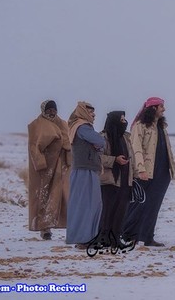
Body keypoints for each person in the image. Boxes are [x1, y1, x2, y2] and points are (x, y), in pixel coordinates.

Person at [122, 97, 175, 247]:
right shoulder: (140, 126)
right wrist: (141, 169)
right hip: (145, 172)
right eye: (161, 107)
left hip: (162, 173)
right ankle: (128, 235)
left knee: (153, 205)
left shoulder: (160, 126)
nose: (163, 109)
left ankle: (147, 237)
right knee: (138, 204)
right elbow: (136, 148)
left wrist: (172, 168)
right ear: (153, 108)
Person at [27, 100, 71, 240]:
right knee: (43, 195)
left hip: (61, 165)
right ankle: (44, 228)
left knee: (62, 195)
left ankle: (64, 224)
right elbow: (34, 146)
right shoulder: (36, 125)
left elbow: (68, 142)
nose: (52, 112)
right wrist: (40, 164)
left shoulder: (63, 124)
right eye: (49, 109)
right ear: (43, 110)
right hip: (45, 168)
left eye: (54, 109)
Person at [65, 101, 105, 248]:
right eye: (91, 112)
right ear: (83, 112)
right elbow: (100, 141)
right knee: (86, 205)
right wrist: (98, 144)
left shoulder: (80, 126)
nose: (93, 115)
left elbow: (99, 144)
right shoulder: (82, 127)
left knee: (89, 204)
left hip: (85, 169)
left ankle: (86, 238)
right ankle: (83, 239)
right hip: (84, 170)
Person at [99, 110, 133, 245]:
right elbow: (98, 157)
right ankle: (103, 238)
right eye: (122, 120)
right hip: (110, 179)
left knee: (121, 210)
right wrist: (114, 160)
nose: (124, 122)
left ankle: (115, 238)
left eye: (125, 120)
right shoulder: (103, 138)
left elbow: (132, 157)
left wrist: (135, 174)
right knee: (108, 210)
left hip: (125, 179)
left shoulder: (125, 137)